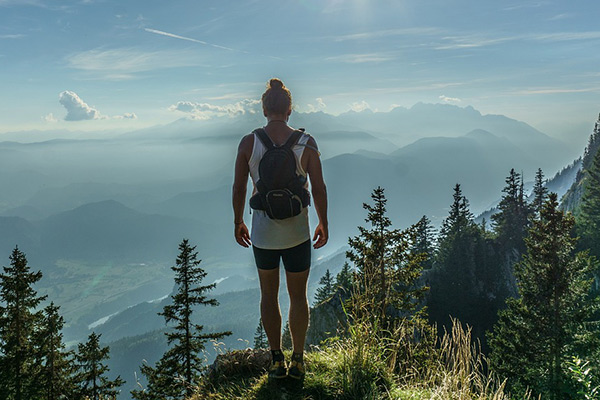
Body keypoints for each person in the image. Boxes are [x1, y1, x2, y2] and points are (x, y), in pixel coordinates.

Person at [232, 78, 328, 381]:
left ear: (264, 109)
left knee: (268, 295)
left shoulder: (249, 142)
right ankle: (298, 360)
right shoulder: (307, 143)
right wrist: (323, 221)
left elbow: (238, 186)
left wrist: (238, 221)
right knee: (298, 297)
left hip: (263, 234)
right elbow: (319, 187)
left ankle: (276, 360)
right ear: (289, 109)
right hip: (298, 233)